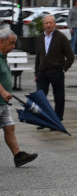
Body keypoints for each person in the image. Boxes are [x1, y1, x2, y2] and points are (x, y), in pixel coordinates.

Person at [0, 28, 37, 167]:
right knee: (8, 126)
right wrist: (3, 92)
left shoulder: (3, 56)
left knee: (9, 127)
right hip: (0, 99)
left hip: (3, 103)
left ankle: (18, 155)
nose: (13, 46)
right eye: (11, 43)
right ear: (2, 41)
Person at [34, 14, 75, 122]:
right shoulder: (40, 37)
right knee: (40, 97)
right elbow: (38, 57)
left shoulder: (61, 37)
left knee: (59, 97)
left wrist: (63, 69)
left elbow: (70, 56)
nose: (48, 25)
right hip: (42, 72)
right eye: (46, 23)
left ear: (54, 24)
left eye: (50, 23)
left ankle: (57, 119)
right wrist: (36, 73)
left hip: (56, 71)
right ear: (43, 25)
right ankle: (43, 119)